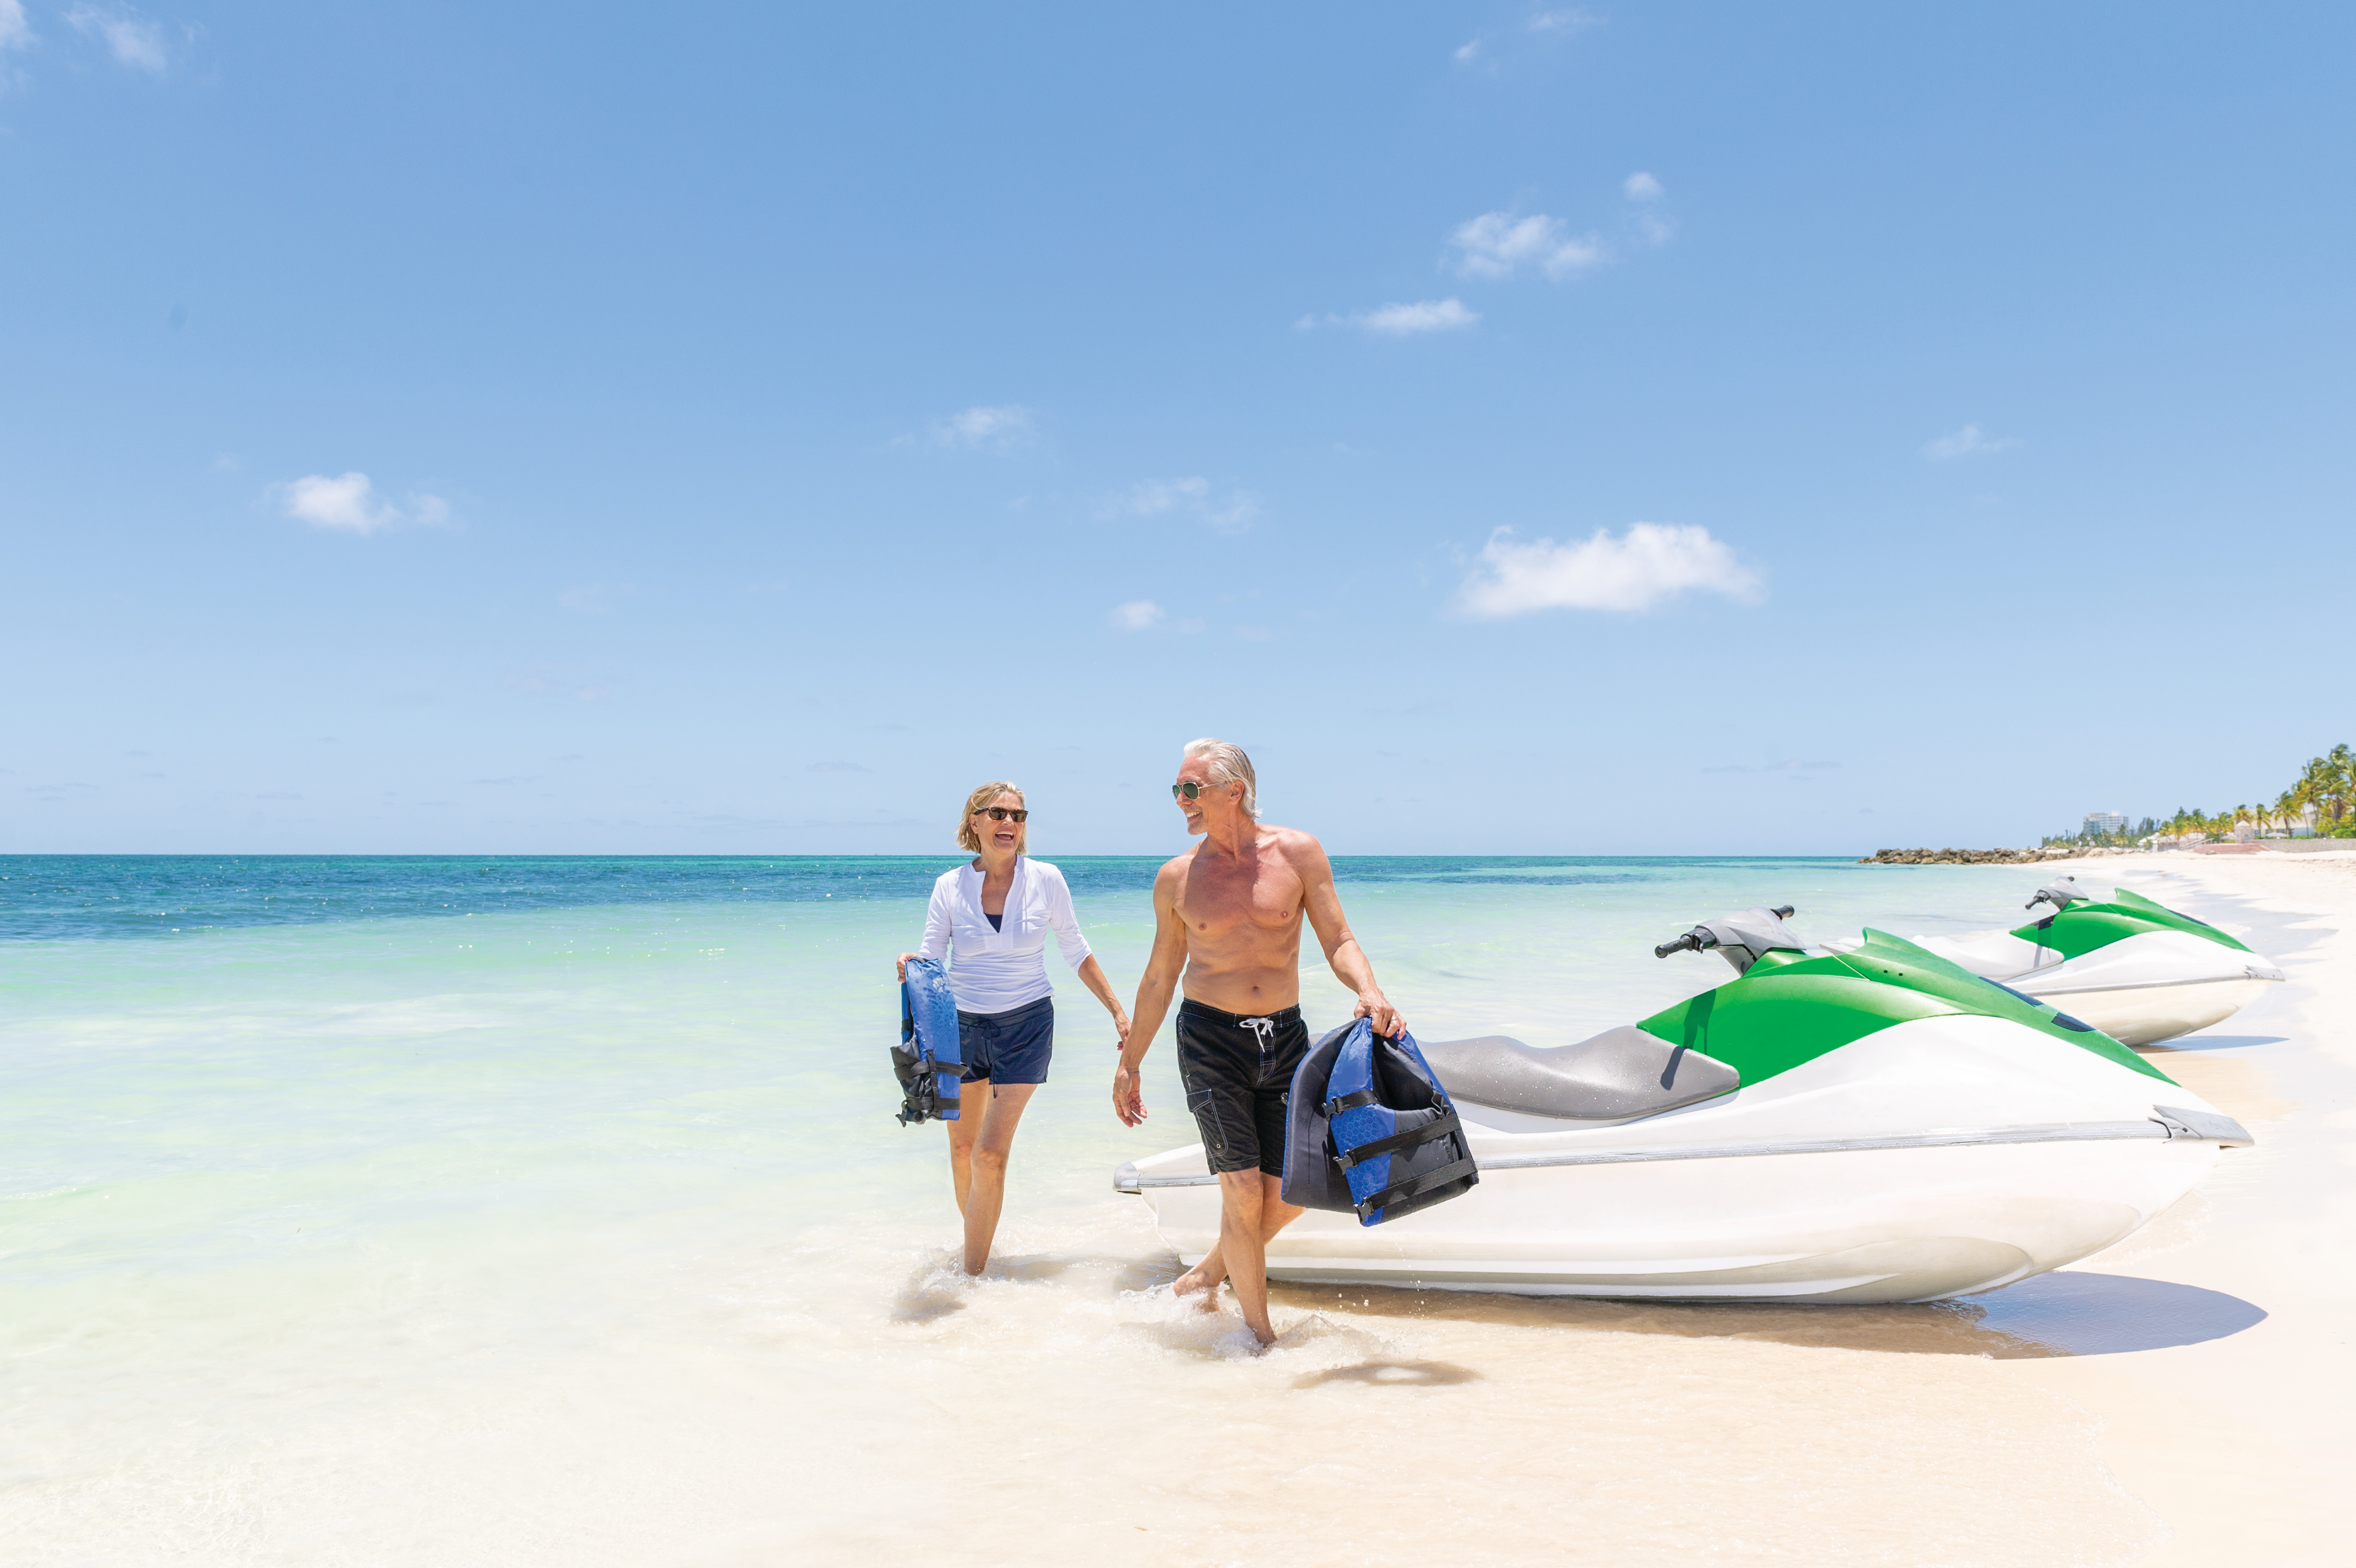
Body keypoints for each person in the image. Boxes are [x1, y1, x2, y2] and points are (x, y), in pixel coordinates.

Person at [1111, 738, 1405, 1346]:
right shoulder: (1176, 878)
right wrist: (1129, 1062)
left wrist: (1370, 989)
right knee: (1242, 1191)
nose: (1180, 802)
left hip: (1285, 1038)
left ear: (1232, 790)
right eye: (1176, 791)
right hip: (1209, 1040)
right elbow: (1159, 977)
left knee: (1292, 1190)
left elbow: (1338, 940)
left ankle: (1205, 1277)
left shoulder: (1297, 853)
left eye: (1190, 789)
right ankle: (1260, 1339)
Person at [898, 781, 1130, 1275]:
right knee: (962, 1150)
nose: (1010, 823)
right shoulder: (949, 885)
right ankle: (980, 1251)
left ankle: (971, 1280)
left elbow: (1075, 949)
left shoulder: (1045, 879)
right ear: (974, 822)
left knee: (988, 1155)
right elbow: (931, 956)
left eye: (1018, 816)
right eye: (998, 813)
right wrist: (909, 965)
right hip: (960, 1026)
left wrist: (1117, 1009)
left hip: (1025, 1025)